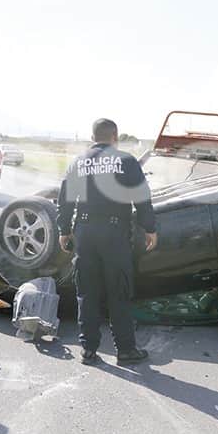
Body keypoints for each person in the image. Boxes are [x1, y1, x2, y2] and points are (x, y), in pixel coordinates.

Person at [58, 119, 158, 366]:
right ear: (115, 136)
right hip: (114, 234)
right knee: (119, 291)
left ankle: (88, 350)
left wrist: (64, 231)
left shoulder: (79, 162)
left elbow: (66, 200)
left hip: (85, 232)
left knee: (87, 292)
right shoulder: (125, 161)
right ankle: (125, 350)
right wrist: (150, 228)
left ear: (93, 137)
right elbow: (142, 198)